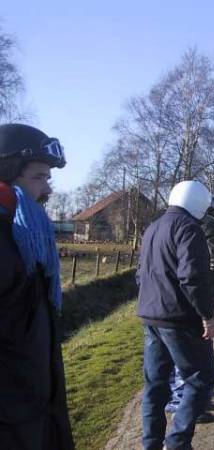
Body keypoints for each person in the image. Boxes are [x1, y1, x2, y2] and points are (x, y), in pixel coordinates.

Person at [0, 123, 74, 449]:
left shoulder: (27, 235)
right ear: (7, 174)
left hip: (33, 409)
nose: (47, 190)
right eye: (38, 177)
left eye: (48, 178)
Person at [137, 180, 214, 450]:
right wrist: (207, 314)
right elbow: (192, 278)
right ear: (199, 204)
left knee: (155, 387)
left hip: (151, 317)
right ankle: (177, 443)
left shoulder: (152, 228)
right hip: (179, 319)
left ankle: (151, 444)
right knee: (201, 379)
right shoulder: (189, 228)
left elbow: (141, 273)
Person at [164, 198, 214, 419]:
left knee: (176, 354)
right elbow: (209, 263)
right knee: (191, 357)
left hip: (167, 301)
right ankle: (185, 406)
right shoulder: (206, 224)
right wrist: (206, 306)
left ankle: (176, 399)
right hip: (192, 300)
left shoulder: (167, 222)